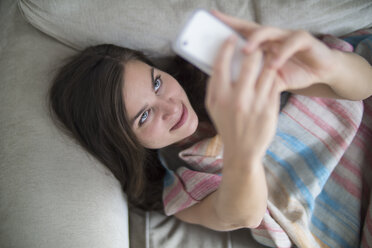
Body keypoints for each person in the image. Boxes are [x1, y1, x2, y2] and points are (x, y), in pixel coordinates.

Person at [48, 10, 372, 231]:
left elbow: (364, 84)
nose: (170, 108)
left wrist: (326, 65)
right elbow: (240, 216)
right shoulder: (178, 184)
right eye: (144, 116)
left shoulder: (220, 73)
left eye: (157, 83)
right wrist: (244, 152)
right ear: (124, 141)